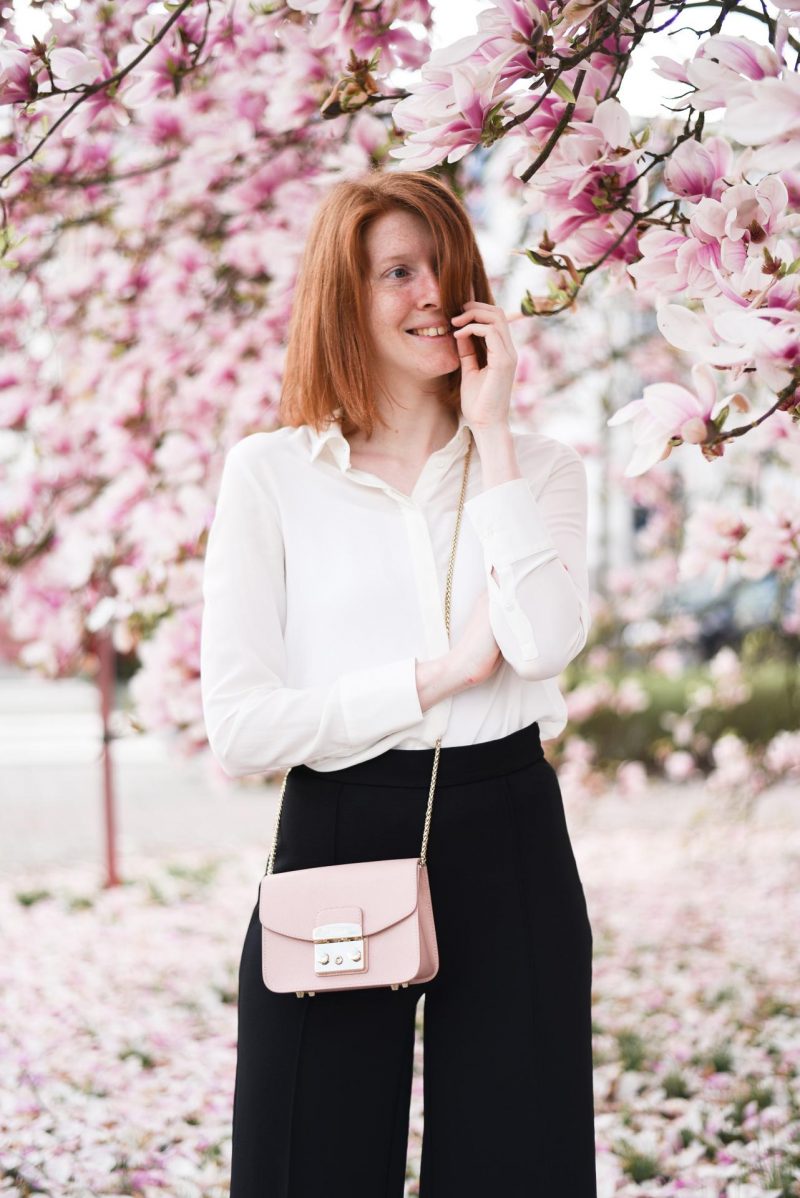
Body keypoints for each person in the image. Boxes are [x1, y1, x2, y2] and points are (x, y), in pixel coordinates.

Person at [200, 168, 597, 1198]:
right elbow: (241, 728)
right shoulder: (272, 474)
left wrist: (494, 430)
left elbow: (545, 639)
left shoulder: (539, 467)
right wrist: (437, 676)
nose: (429, 290)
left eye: (443, 266)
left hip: (507, 823)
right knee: (309, 1162)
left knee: (520, 1162)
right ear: (346, 295)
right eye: (395, 271)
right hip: (337, 823)